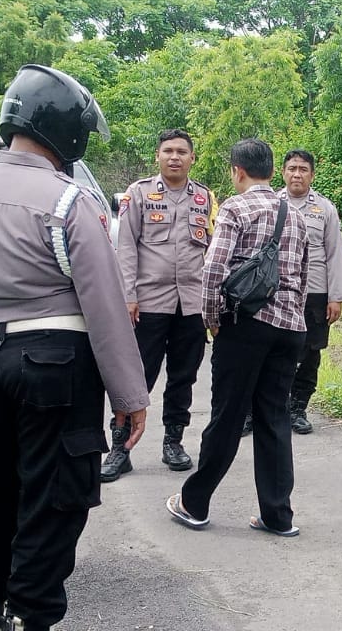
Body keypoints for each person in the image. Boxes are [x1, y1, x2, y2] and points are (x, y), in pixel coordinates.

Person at [0, 64, 149, 630]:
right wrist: (129, 395)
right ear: (64, 130)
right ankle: (31, 615)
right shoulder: (68, 201)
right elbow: (103, 304)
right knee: (53, 499)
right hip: (56, 365)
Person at [165, 138, 309, 537]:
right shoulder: (295, 214)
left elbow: (212, 271)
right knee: (274, 419)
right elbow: (302, 276)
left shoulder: (234, 206)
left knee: (227, 417)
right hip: (289, 329)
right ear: (271, 169)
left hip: (246, 327)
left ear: (237, 171)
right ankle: (278, 516)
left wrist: (212, 319)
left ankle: (194, 503)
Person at [102, 129, 215, 481]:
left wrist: (213, 303)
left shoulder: (206, 199)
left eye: (182, 151)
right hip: (148, 303)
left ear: (192, 158)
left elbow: (214, 252)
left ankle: (173, 441)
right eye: (168, 151)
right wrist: (128, 295)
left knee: (183, 376)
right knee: (136, 377)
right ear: (158, 156)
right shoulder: (138, 194)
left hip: (192, 305)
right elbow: (127, 247)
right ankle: (120, 448)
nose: (175, 157)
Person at [276, 149, 342, 435]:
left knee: (310, 353)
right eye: (292, 168)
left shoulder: (325, 209)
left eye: (303, 169)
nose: (297, 174)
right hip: (279, 291)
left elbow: (335, 253)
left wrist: (336, 297)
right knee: (277, 350)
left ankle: (298, 408)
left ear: (312, 174)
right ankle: (274, 406)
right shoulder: (273, 204)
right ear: (283, 172)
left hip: (316, 292)